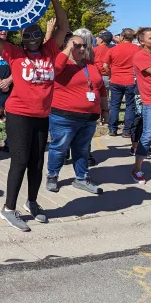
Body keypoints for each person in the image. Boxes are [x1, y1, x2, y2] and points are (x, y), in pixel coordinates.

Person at [0, 0, 69, 232]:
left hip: (42, 115)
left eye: (37, 34)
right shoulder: (14, 53)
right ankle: (8, 208)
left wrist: (55, 1)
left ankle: (32, 202)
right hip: (18, 114)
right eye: (28, 35)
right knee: (20, 160)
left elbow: (63, 26)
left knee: (37, 162)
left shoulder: (49, 51)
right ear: (22, 38)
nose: (33, 38)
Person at [46, 33, 107, 195]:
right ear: (67, 47)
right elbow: (55, 68)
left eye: (83, 46)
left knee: (82, 150)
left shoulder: (90, 65)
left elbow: (100, 87)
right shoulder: (61, 63)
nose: (81, 48)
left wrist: (105, 110)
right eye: (76, 45)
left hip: (89, 118)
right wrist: (67, 49)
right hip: (64, 117)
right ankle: (52, 176)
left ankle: (81, 178)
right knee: (59, 148)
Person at [104, 28, 141, 137]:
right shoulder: (138, 49)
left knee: (115, 105)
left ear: (122, 37)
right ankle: (127, 130)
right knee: (130, 106)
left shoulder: (113, 49)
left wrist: (110, 75)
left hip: (116, 80)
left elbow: (105, 65)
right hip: (131, 80)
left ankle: (112, 129)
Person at [131, 27, 151, 184]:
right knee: (148, 135)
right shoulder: (140, 56)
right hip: (150, 101)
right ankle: (137, 169)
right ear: (142, 41)